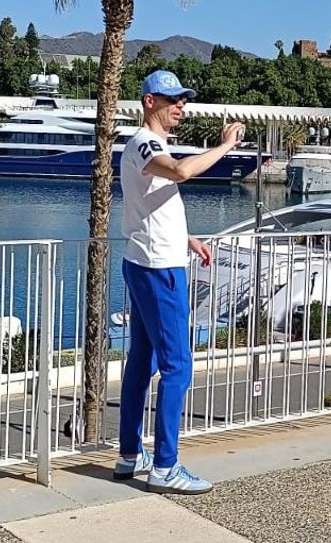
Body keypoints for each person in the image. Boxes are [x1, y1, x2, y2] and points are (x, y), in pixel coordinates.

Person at [113, 70, 246, 494]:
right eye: (172, 99)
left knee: (142, 361)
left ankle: (129, 454)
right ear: (149, 101)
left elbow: (149, 201)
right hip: (159, 269)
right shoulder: (145, 143)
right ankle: (165, 466)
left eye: (183, 99)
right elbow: (181, 173)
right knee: (178, 367)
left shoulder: (146, 146)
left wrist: (184, 237)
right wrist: (225, 146)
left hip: (146, 260)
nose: (180, 106)